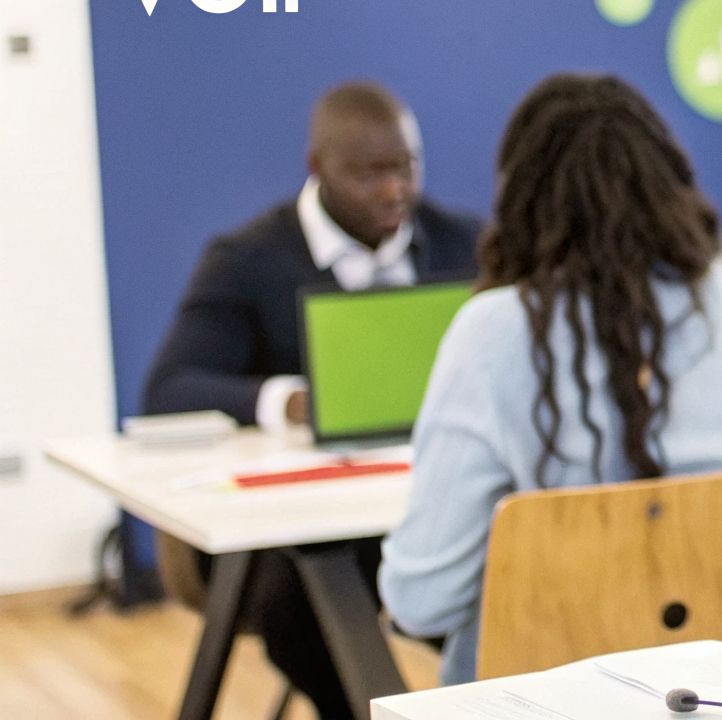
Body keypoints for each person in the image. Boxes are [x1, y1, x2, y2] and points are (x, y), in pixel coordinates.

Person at [378, 72, 722, 685]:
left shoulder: (493, 333)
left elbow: (422, 600)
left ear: (524, 198)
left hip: (543, 698)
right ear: (667, 181)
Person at [142, 80, 482, 720]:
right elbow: (170, 388)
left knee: (495, 584)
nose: (393, 190)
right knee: (304, 603)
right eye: (367, 174)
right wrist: (297, 402)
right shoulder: (246, 259)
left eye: (406, 167)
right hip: (301, 541)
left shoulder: (466, 244)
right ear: (318, 168)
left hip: (432, 507)